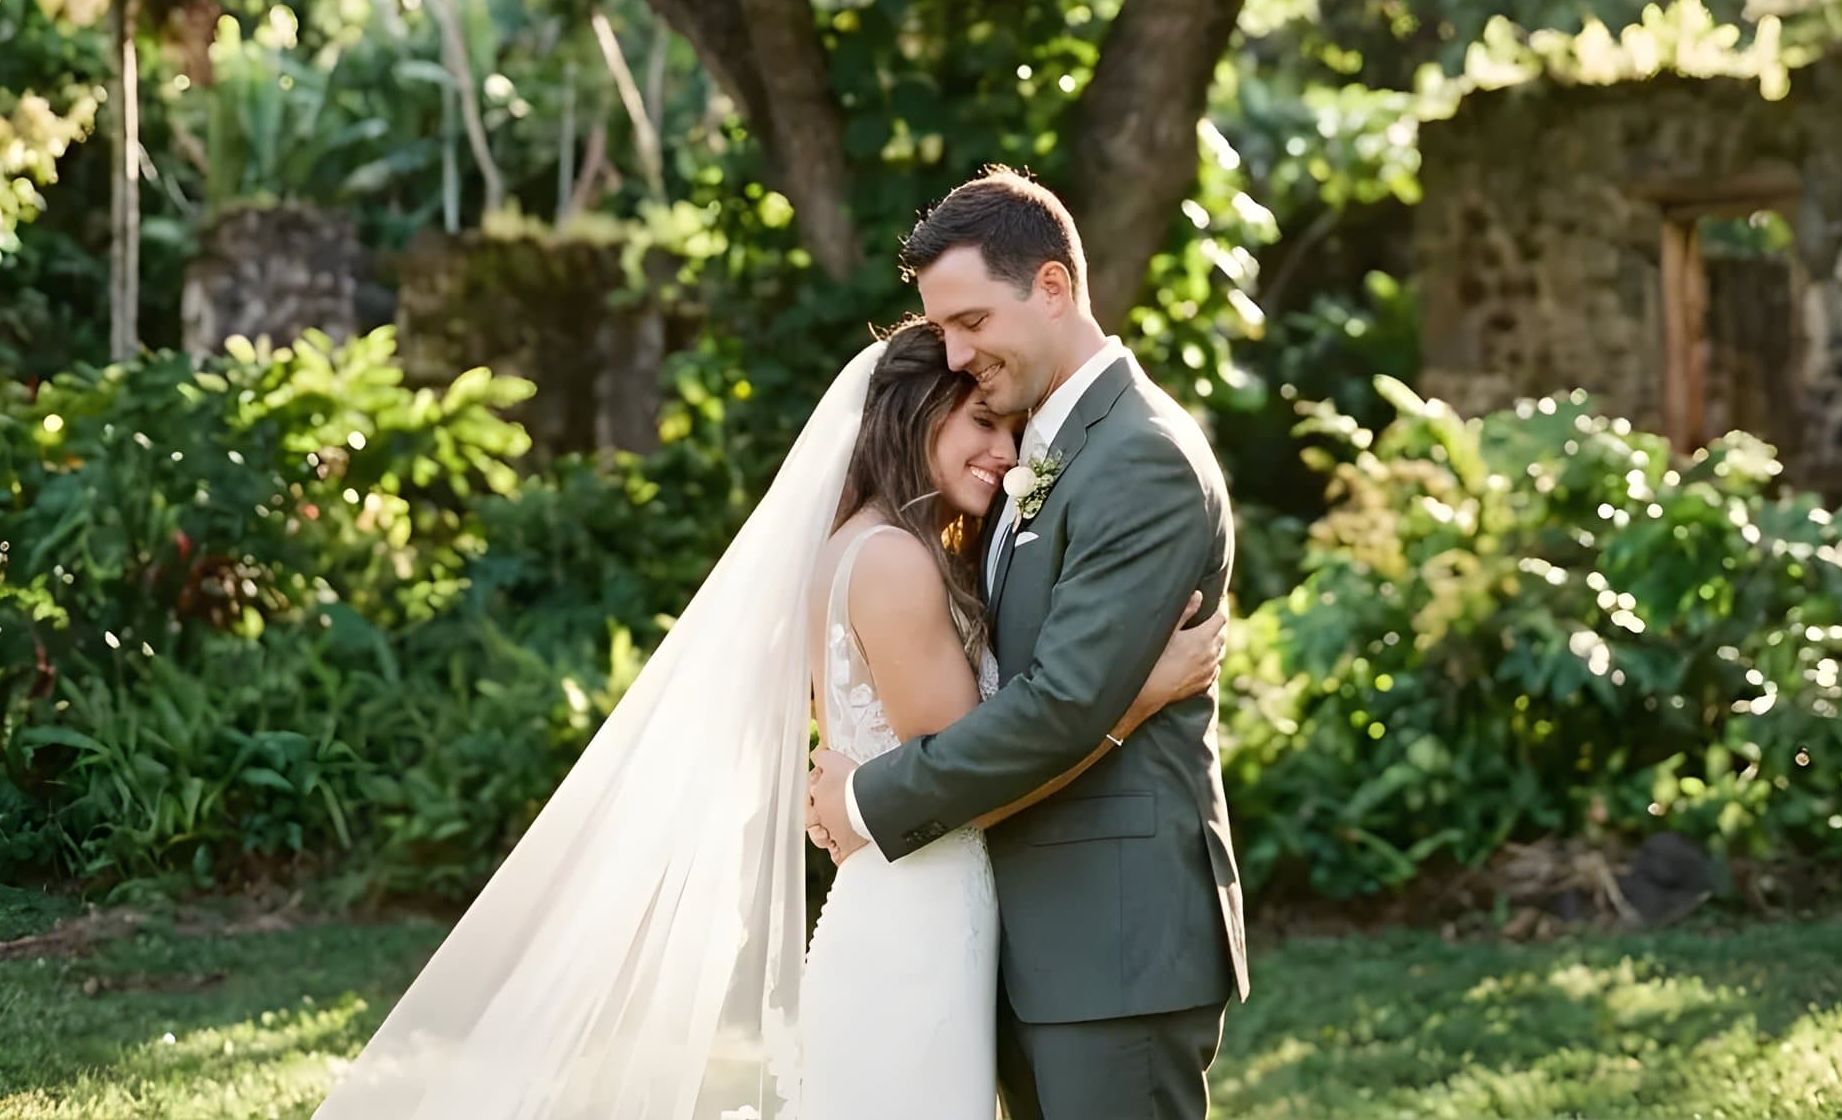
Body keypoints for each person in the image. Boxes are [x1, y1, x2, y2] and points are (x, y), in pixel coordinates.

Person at [309, 270, 1220, 1120]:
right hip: (920, 920)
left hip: (934, 912)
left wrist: (863, 797)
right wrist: (1128, 705)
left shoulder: (890, 544)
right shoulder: (895, 560)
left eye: (1004, 424)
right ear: (911, 418)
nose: (1002, 447)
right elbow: (970, 777)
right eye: (977, 421)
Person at [806, 168, 1250, 1120]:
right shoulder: (1046, 450)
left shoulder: (1140, 455)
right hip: (1029, 940)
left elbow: (1058, 705)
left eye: (971, 321)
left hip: (1114, 944)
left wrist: (866, 798)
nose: (957, 354)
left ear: (1052, 286)